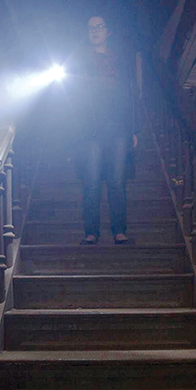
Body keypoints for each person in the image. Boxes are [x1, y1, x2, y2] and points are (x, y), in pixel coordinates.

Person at [71, 15, 138, 245]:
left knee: (117, 181)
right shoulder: (80, 61)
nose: (95, 30)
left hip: (117, 127)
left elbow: (128, 95)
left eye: (99, 26)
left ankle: (119, 231)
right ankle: (91, 232)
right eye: (90, 27)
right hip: (89, 129)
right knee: (91, 181)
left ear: (108, 31)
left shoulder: (119, 60)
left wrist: (132, 129)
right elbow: (73, 98)